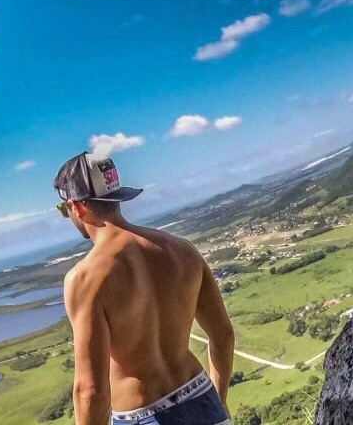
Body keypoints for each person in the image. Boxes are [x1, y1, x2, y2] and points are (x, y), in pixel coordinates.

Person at [54, 151, 235, 425]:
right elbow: (222, 335)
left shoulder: (85, 279)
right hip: (203, 400)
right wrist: (219, 401)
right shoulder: (182, 250)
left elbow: (90, 391)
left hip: (142, 415)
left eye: (63, 210)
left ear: (76, 206)